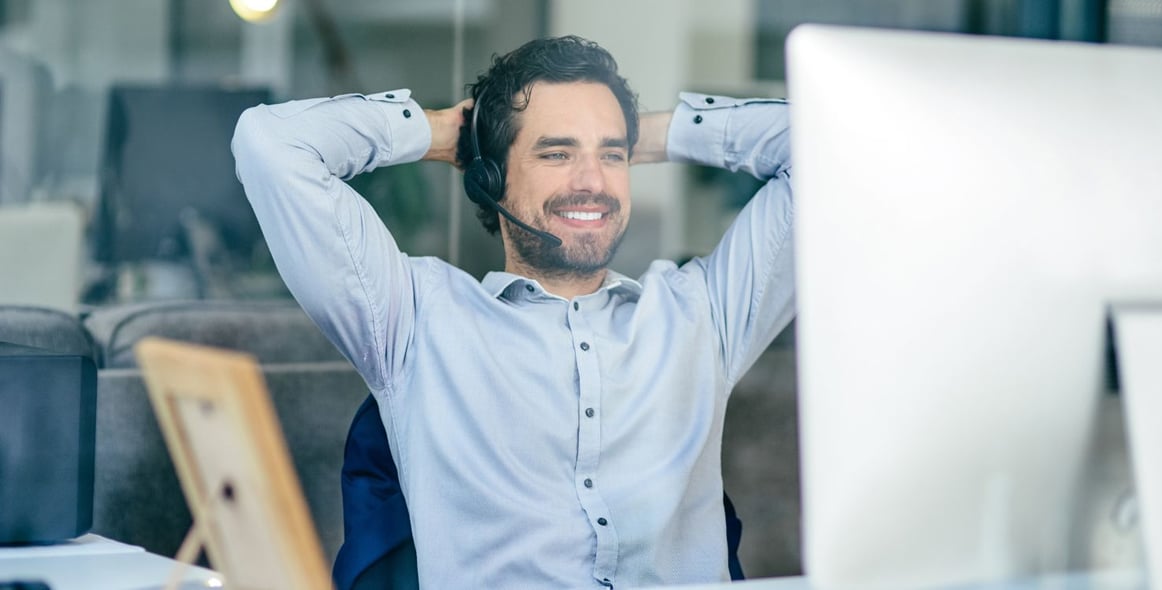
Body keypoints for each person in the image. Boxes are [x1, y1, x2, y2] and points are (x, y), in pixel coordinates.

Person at [232, 35, 793, 589]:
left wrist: (653, 132)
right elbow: (271, 143)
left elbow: (842, 143)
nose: (592, 182)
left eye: (612, 155)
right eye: (557, 153)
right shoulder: (413, 319)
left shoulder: (702, 311)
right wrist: (444, 133)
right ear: (490, 177)